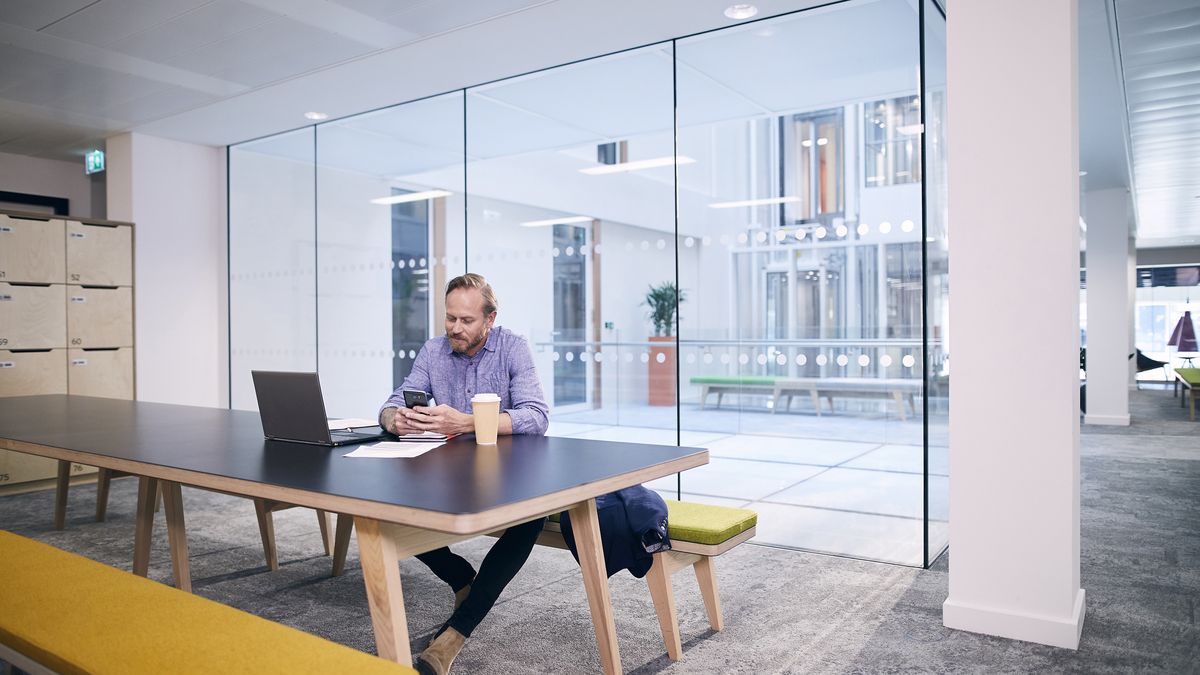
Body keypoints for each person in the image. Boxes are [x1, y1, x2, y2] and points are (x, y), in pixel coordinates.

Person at [378, 272, 548, 675]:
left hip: (509, 473)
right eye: (450, 318)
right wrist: (394, 418)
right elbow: (393, 400)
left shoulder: (513, 348)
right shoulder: (434, 351)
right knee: (387, 507)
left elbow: (536, 415)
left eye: (466, 320)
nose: (455, 328)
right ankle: (464, 581)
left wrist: (469, 422)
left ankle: (454, 635)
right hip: (451, 471)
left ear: (489, 319)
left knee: (532, 518)